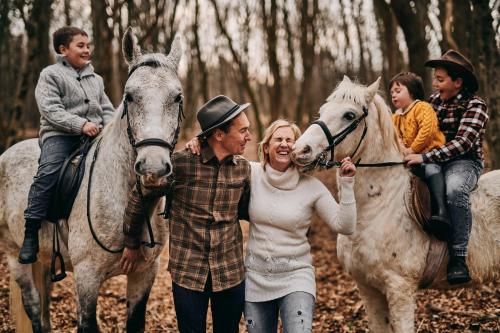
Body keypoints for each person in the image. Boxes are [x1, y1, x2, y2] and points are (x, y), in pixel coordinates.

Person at [186, 119, 357, 333]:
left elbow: (345, 225)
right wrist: (200, 143)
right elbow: (219, 159)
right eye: (278, 139)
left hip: (296, 277)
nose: (284, 144)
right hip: (256, 280)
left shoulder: (312, 187)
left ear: (297, 147)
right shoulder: (250, 172)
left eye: (290, 140)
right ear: (266, 147)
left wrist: (347, 183)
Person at [120, 95, 252, 333]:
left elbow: (247, 209)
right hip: (189, 273)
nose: (249, 137)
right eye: (243, 131)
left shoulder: (243, 169)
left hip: (230, 272)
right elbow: (140, 194)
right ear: (219, 135)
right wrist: (131, 242)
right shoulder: (181, 164)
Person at [18, 26, 115, 264]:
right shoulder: (50, 75)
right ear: (63, 49)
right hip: (59, 135)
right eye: (80, 46)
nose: (86, 50)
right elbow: (50, 110)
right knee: (48, 172)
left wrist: (111, 129)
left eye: (88, 45)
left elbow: (106, 109)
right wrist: (81, 124)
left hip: (94, 135)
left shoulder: (96, 79)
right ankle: (31, 231)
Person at [404, 50, 489, 285]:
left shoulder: (475, 105)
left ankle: (458, 257)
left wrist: (425, 157)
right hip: (432, 159)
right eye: (435, 78)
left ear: (458, 82)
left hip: (464, 161)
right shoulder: (431, 103)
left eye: (440, 79)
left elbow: (462, 144)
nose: (434, 84)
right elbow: (418, 129)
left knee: (454, 190)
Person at [389, 72, 450, 239]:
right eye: (392, 92)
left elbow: (427, 131)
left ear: (412, 91)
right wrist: (401, 150)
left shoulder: (422, 108)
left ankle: (442, 211)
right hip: (410, 157)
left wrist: (413, 149)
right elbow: (395, 138)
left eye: (398, 90)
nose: (393, 94)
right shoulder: (395, 117)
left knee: (431, 170)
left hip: (430, 154)